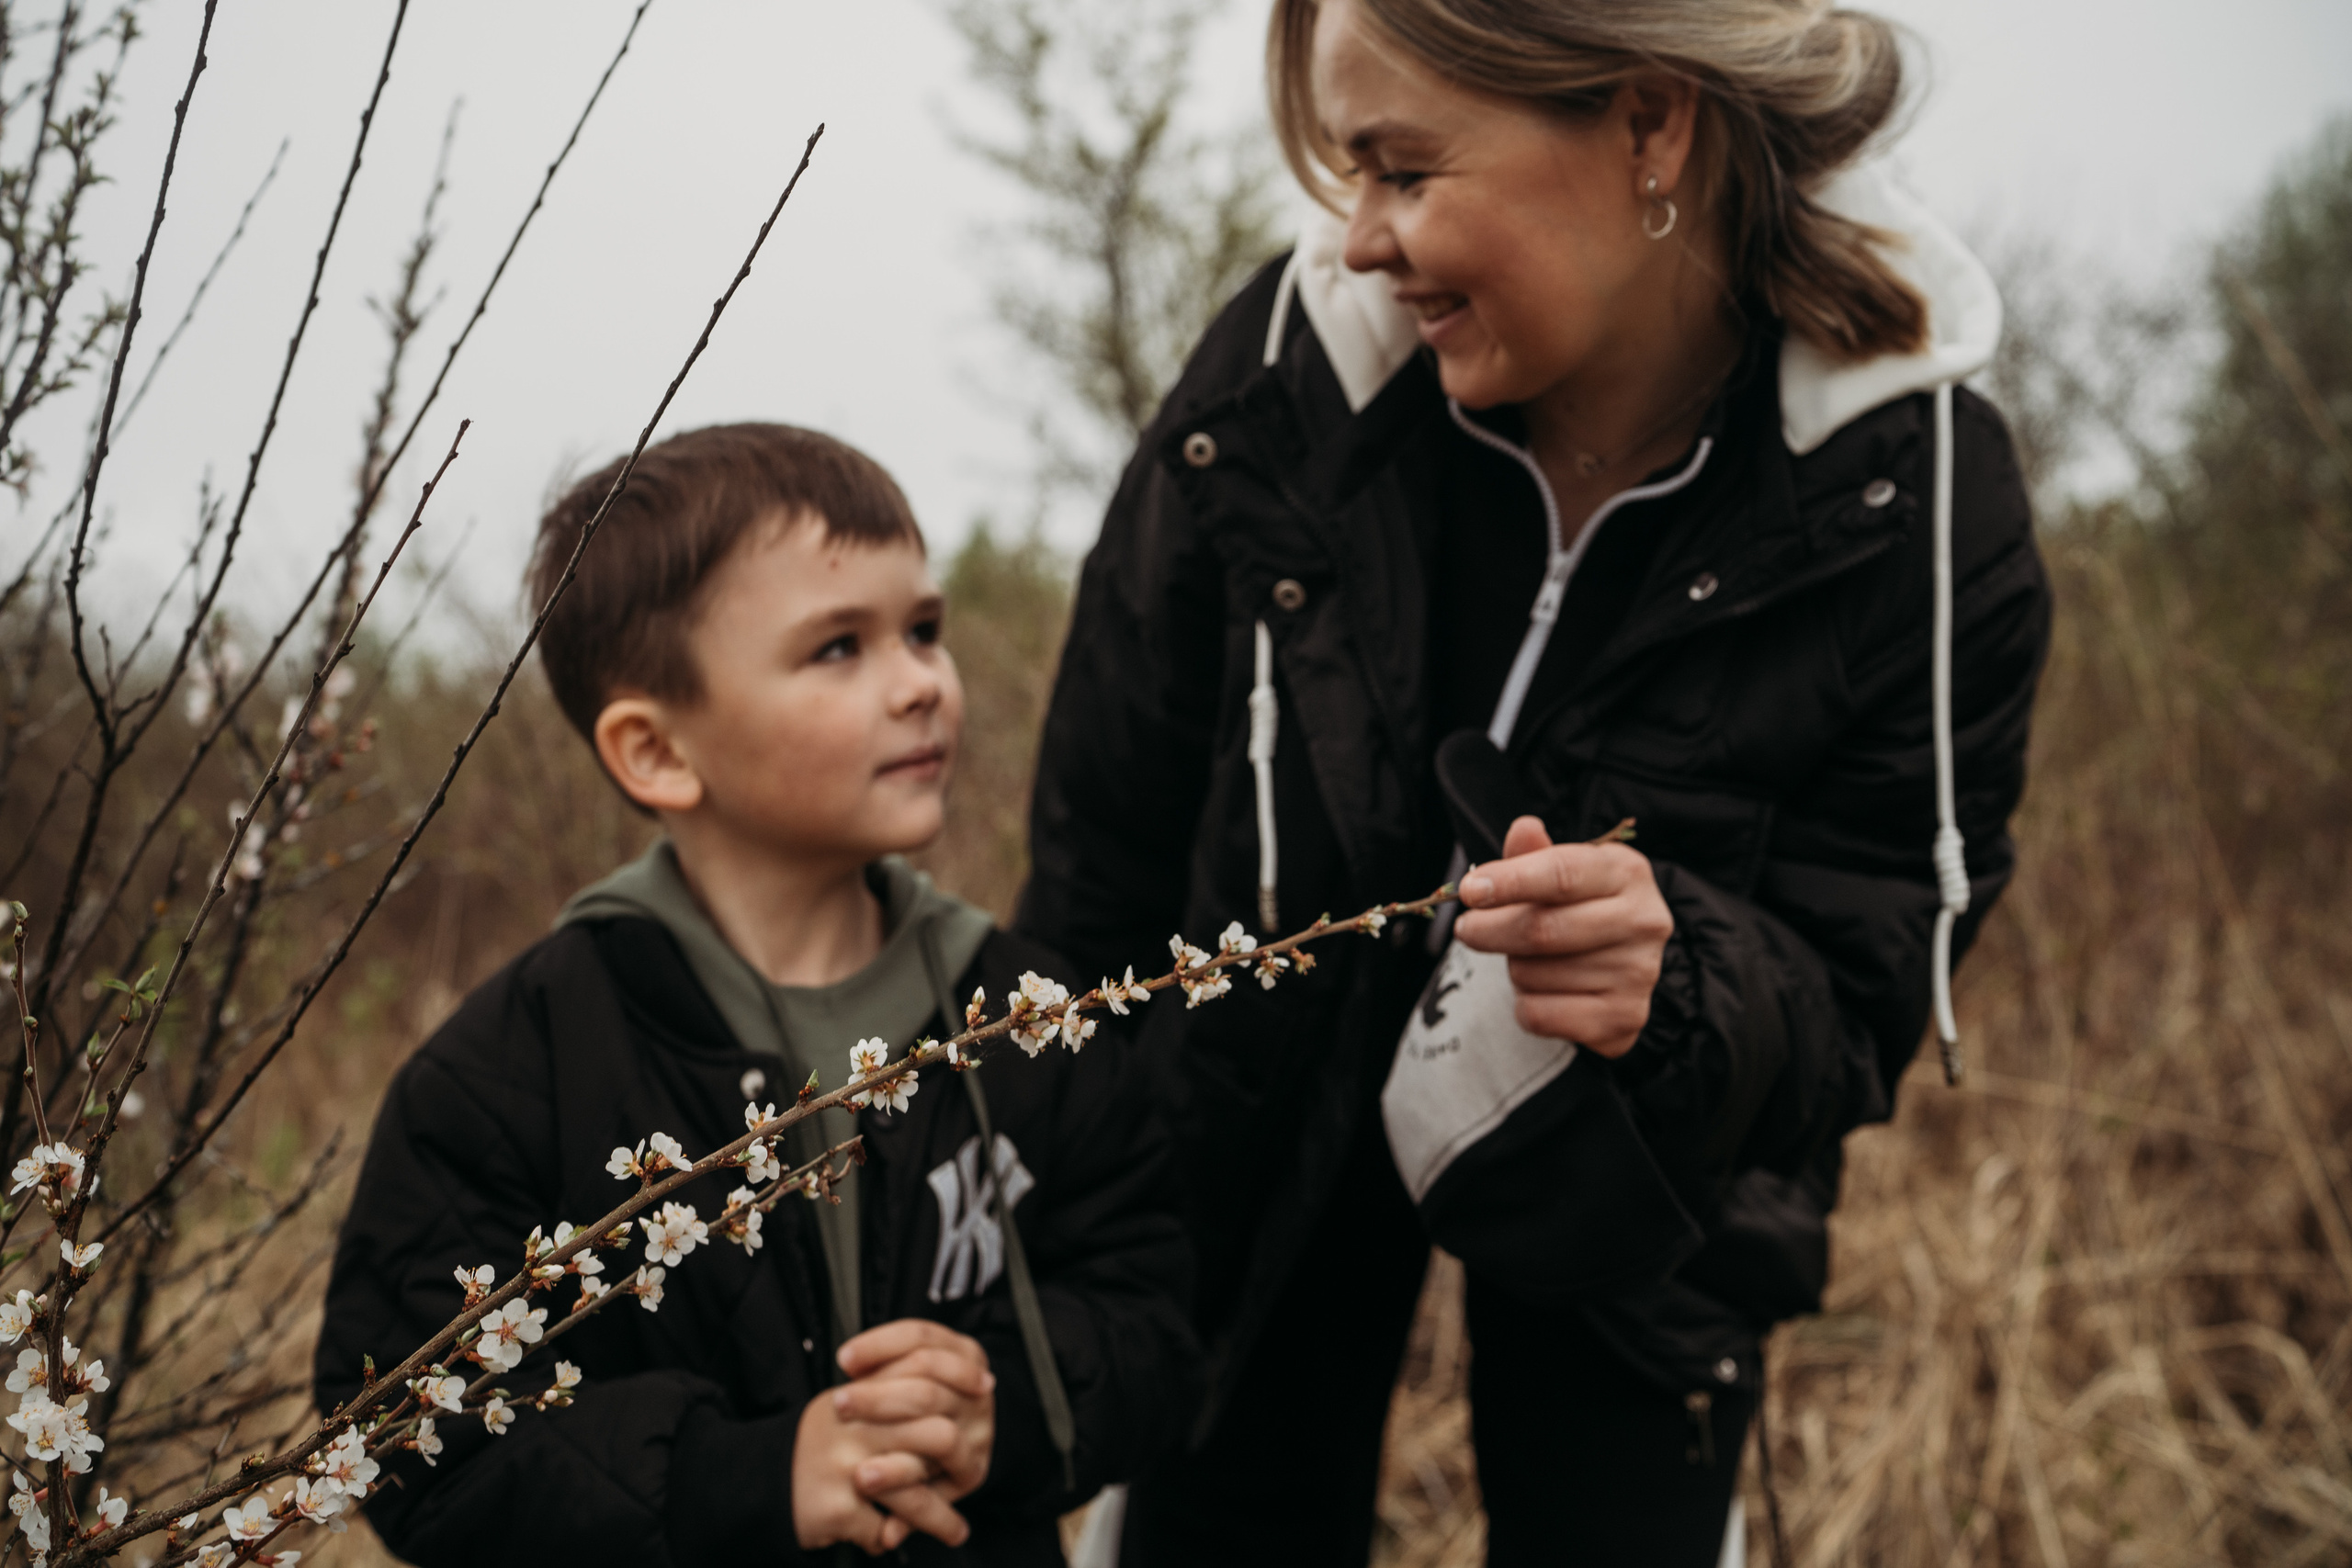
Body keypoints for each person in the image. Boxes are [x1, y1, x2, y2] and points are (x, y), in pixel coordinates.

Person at [1014, 1, 2050, 1563]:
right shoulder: (1292, 374)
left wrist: (1677, 978)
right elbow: (1109, 833)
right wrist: (1060, 1204)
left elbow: (1856, 1002)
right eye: (1343, 174)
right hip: (1233, 1175)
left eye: (1403, 168)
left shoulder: (1921, 506)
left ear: (1648, 125)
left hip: (1651, 1234)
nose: (1358, 239)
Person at [315, 423, 1196, 1565]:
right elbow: (412, 1443)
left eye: (923, 631)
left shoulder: (1025, 1016)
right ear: (659, 754)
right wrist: (748, 1478)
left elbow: (1157, 1324)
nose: (920, 682)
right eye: (839, 649)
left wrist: (1002, 1407)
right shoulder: (514, 1069)